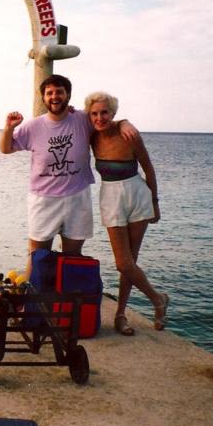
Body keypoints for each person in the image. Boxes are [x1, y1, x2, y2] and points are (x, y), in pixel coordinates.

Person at [0, 74, 136, 273]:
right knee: (37, 257)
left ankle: (65, 301)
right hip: (43, 199)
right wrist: (9, 128)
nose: (55, 97)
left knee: (73, 258)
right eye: (49, 93)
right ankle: (32, 302)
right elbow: (5, 148)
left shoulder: (82, 119)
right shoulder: (33, 126)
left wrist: (124, 123)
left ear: (68, 95)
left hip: (77, 197)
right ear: (43, 98)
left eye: (59, 92)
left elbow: (104, 120)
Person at [85, 91, 169, 335]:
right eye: (94, 113)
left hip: (138, 196)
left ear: (113, 113)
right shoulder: (91, 136)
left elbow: (148, 167)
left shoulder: (129, 135)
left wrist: (155, 202)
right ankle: (158, 299)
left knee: (130, 261)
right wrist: (123, 120)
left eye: (104, 113)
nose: (99, 117)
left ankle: (121, 314)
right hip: (111, 198)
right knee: (124, 264)